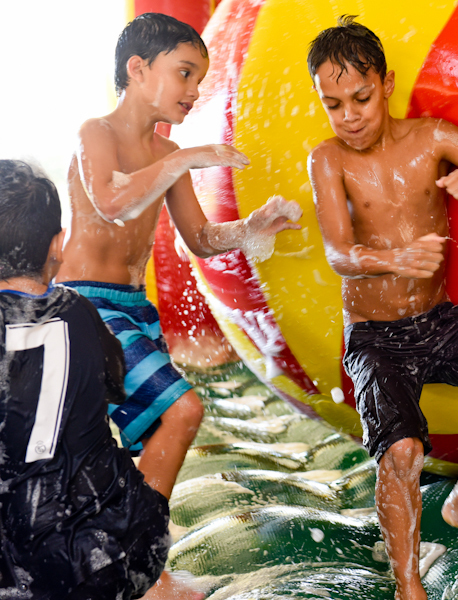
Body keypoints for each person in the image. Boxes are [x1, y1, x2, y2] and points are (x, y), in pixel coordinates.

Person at [55, 14, 301, 598]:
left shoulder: (168, 152)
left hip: (132, 308)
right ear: (138, 69)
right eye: (185, 73)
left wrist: (252, 227)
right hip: (84, 306)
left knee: (150, 442)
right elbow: (112, 201)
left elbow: (201, 239)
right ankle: (137, 569)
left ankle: (146, 569)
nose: (194, 90)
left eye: (200, 79)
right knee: (183, 412)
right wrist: (183, 160)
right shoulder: (98, 133)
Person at [306, 16, 458, 600]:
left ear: (387, 84)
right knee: (402, 452)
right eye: (333, 105)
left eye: (361, 98)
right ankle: (409, 587)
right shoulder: (328, 159)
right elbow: (339, 254)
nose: (349, 116)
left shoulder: (433, 138)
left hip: (437, 322)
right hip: (374, 335)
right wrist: (394, 259)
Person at [0, 160, 170, 600]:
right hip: (114, 554)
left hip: (19, 569)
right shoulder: (81, 311)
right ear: (58, 244)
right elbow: (113, 388)